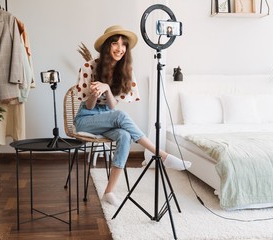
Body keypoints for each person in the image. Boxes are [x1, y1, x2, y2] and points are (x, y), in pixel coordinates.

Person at [73, 25, 191, 206]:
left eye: (123, 45)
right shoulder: (90, 67)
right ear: (107, 46)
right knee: (120, 116)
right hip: (86, 118)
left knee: (125, 135)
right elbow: (88, 106)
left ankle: (109, 191)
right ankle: (162, 155)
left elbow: (112, 106)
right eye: (115, 43)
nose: (119, 48)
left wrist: (106, 89)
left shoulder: (124, 71)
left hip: (107, 116)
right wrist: (95, 93)